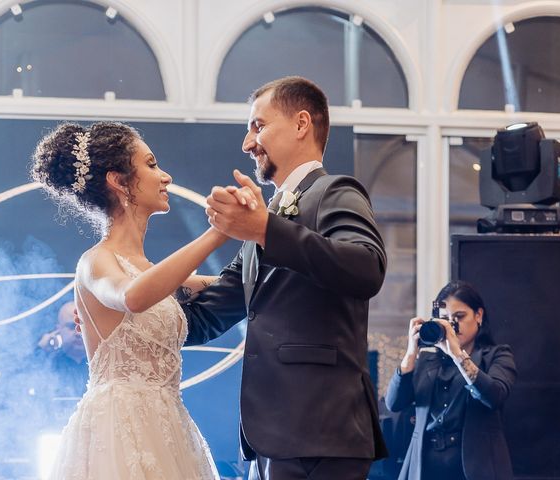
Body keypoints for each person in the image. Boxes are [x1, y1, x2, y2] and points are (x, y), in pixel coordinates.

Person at [181, 76, 389, 480]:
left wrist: (264, 230)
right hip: (269, 438)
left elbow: (367, 268)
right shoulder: (268, 218)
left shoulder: (335, 192)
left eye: (258, 126)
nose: (247, 143)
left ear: (301, 124)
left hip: (321, 431)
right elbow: (210, 315)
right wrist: (130, 308)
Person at [31, 121, 237, 479]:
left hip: (169, 426)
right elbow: (132, 297)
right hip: (117, 430)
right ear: (118, 180)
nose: (166, 176)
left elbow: (210, 284)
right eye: (152, 165)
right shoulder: (96, 261)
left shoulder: (147, 271)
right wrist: (219, 233)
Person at [385, 281, 516, 480]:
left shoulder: (497, 356)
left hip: (476, 468)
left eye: (459, 317)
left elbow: (494, 396)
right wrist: (411, 352)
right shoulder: (426, 361)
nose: (453, 325)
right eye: (446, 320)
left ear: (478, 315)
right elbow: (394, 403)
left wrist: (457, 353)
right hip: (423, 469)